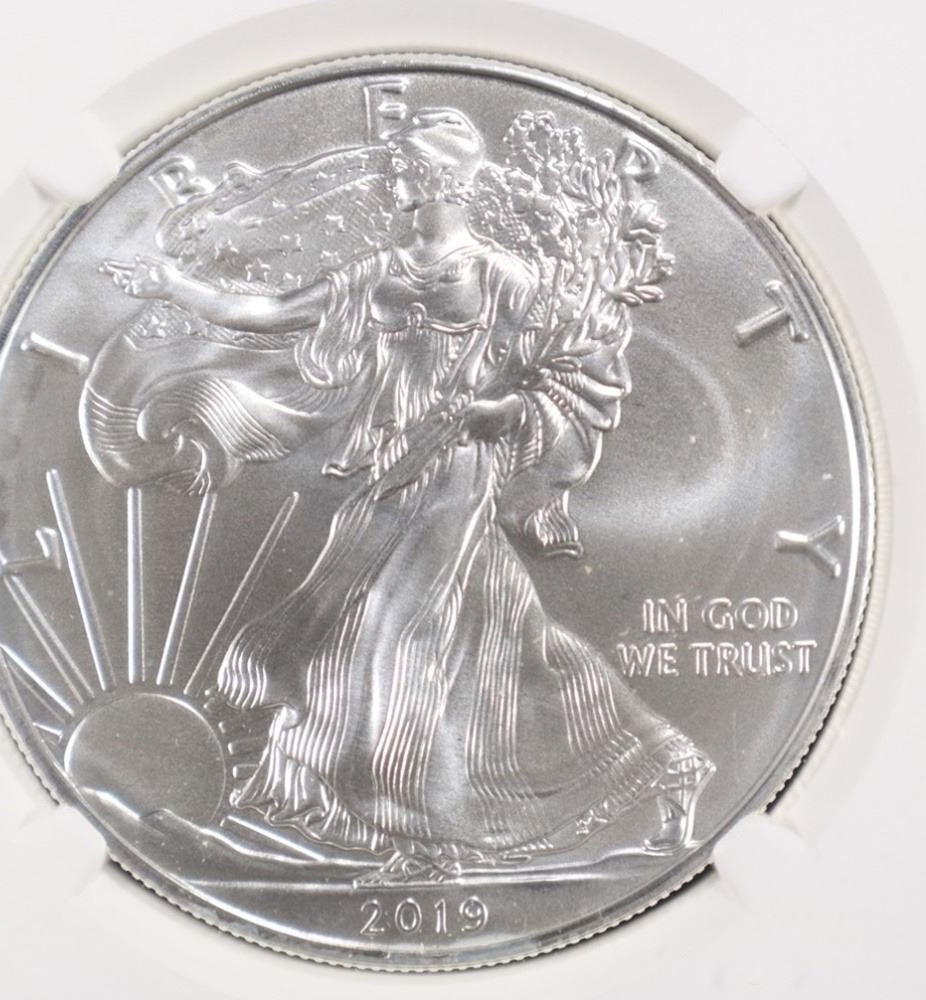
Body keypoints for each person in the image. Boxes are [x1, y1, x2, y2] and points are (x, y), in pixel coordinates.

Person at [107, 108, 713, 883]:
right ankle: (668, 766)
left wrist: (504, 411)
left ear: (437, 179)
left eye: (400, 167)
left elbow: (574, 372)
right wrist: (175, 286)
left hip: (455, 476)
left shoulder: (501, 277)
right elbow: (274, 314)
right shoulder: (377, 273)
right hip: (385, 477)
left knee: (390, 643)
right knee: (511, 646)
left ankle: (424, 843)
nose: (388, 177)